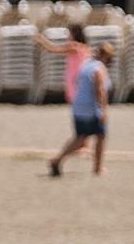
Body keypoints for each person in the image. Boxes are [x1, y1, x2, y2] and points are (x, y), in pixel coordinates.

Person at [49, 43, 115, 177]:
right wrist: (104, 110)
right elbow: (100, 90)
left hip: (78, 106)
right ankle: (97, 168)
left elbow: (76, 81)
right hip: (91, 107)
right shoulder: (98, 68)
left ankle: (58, 159)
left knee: (80, 138)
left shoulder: (85, 65)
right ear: (105, 57)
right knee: (100, 136)